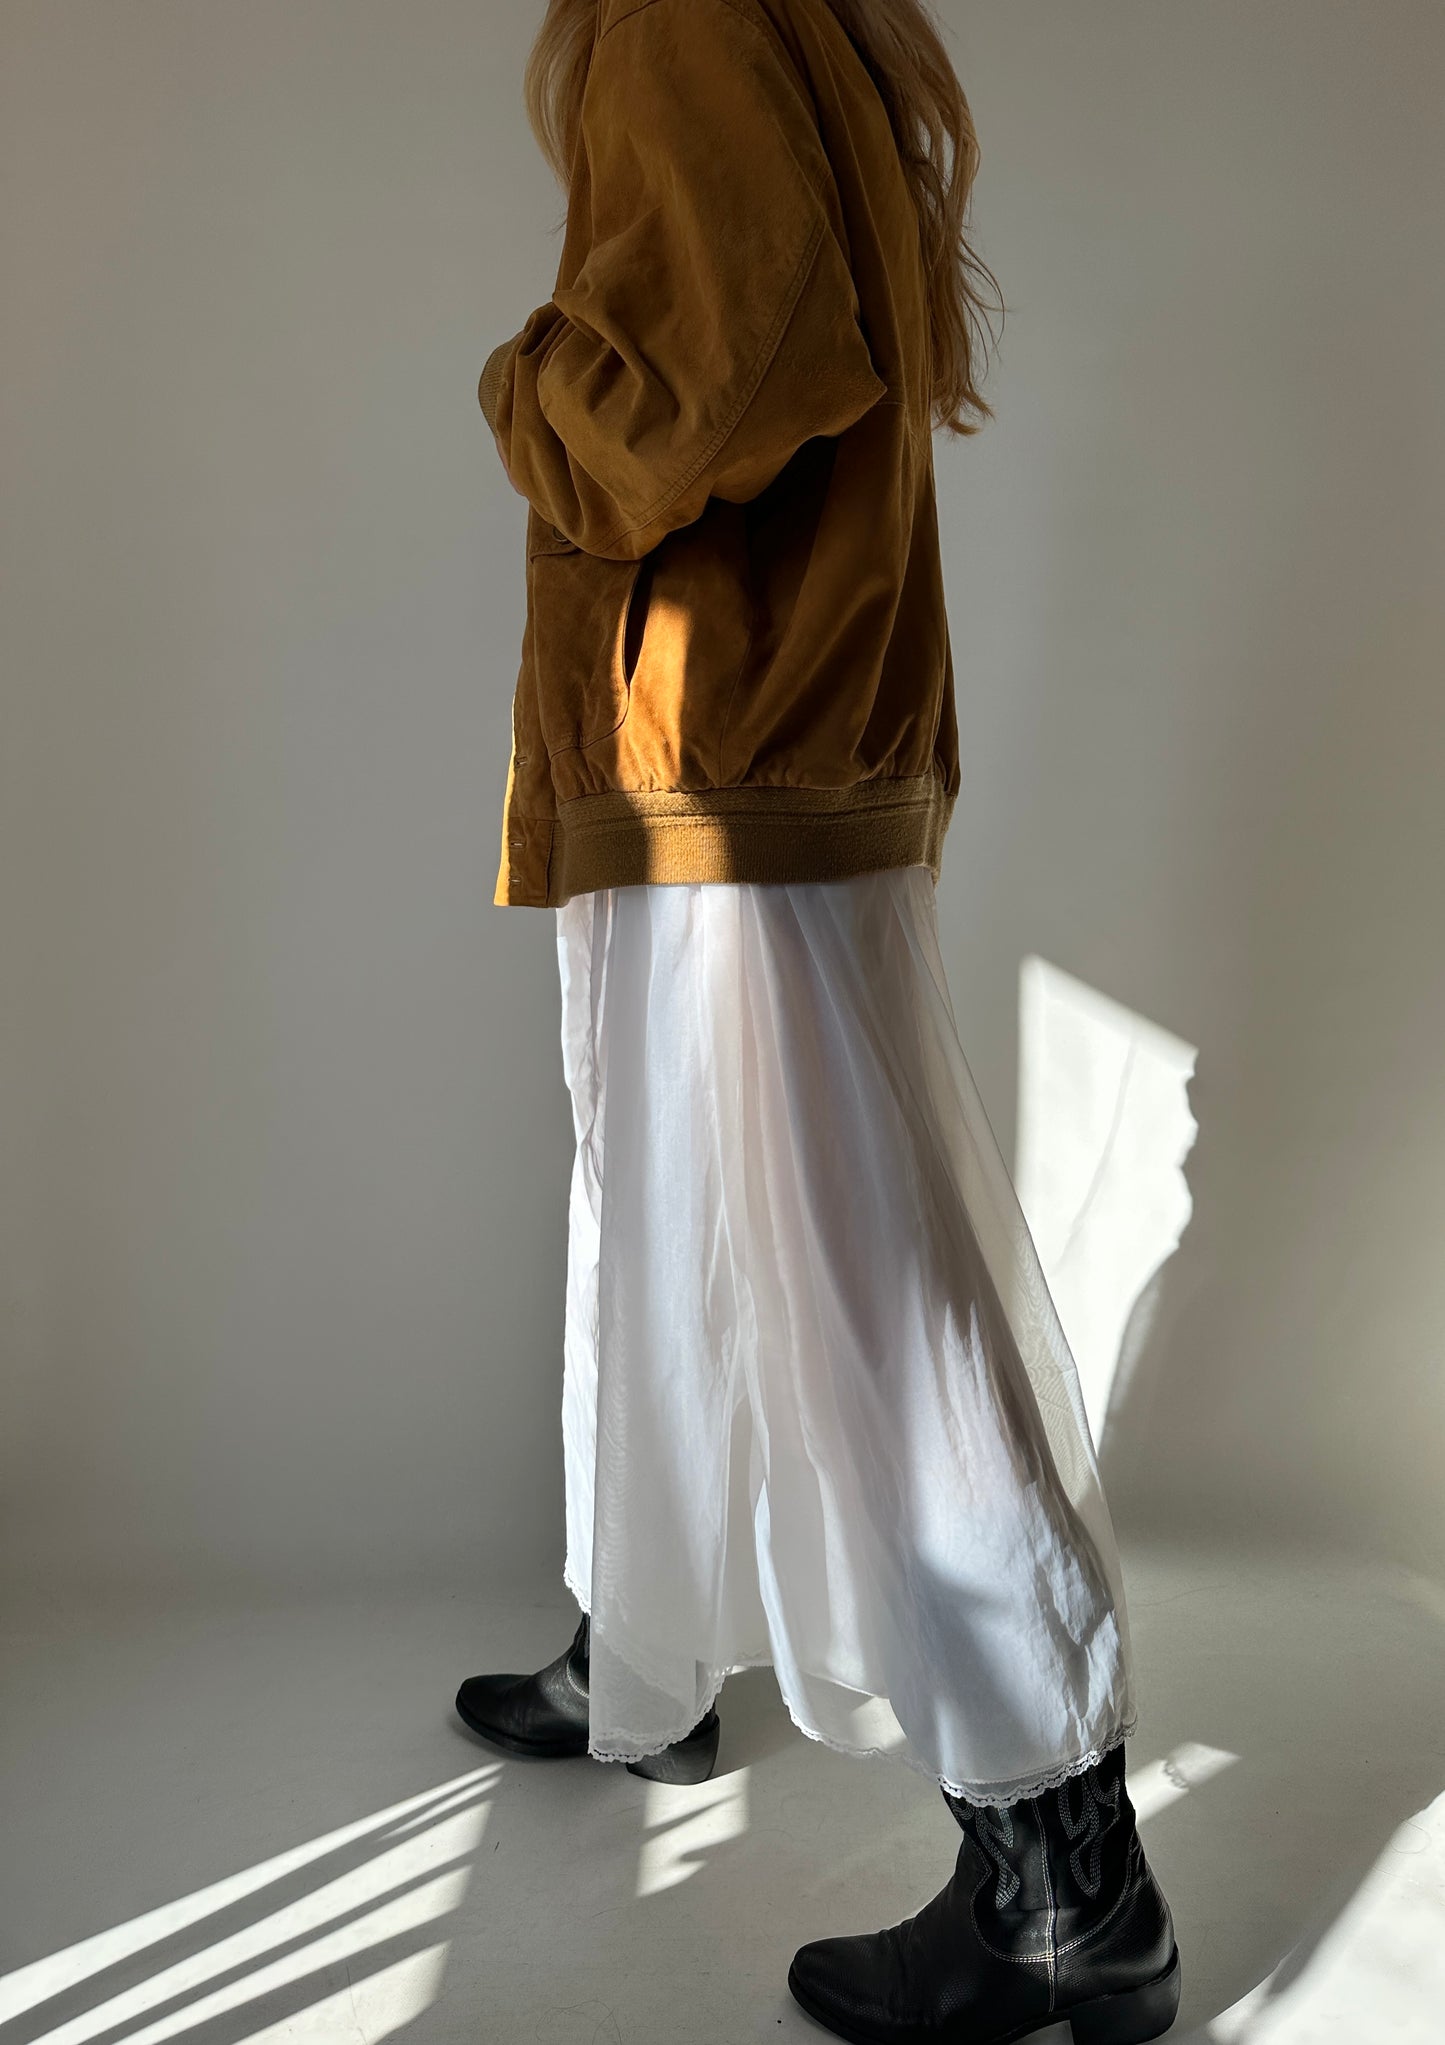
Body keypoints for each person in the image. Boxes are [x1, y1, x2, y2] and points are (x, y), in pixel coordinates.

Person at [455, 1, 1182, 2038]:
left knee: (866, 1286)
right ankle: (646, 1660)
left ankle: (1064, 1877)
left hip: (729, 737)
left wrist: (524, 381)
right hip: (746, 731)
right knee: (666, 1220)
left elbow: (715, 378)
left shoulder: (679, 12)